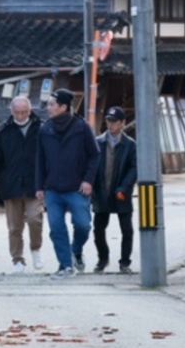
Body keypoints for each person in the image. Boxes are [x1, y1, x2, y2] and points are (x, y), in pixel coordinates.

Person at [36, 88, 100, 278]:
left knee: (83, 225)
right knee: (56, 228)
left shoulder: (81, 127)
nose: (48, 108)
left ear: (63, 107)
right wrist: (39, 186)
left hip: (77, 188)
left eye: (52, 104)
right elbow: (40, 159)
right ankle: (65, 265)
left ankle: (76, 250)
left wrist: (88, 180)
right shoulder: (45, 129)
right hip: (53, 189)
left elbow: (95, 155)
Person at [0, 95, 44, 273]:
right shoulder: (3, 130)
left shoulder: (41, 128)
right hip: (11, 183)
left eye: (24, 112)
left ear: (30, 111)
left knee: (35, 219)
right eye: (17, 112)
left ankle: (35, 249)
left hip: (34, 183)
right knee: (14, 226)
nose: (20, 116)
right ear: (12, 111)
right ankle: (17, 259)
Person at [92, 106, 137, 274]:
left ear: (123, 123)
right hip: (101, 192)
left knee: (127, 230)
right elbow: (91, 167)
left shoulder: (130, 145)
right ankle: (103, 259)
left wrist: (124, 188)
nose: (110, 125)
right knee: (98, 230)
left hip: (121, 193)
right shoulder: (98, 142)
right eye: (108, 121)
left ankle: (125, 262)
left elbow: (134, 169)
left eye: (114, 121)